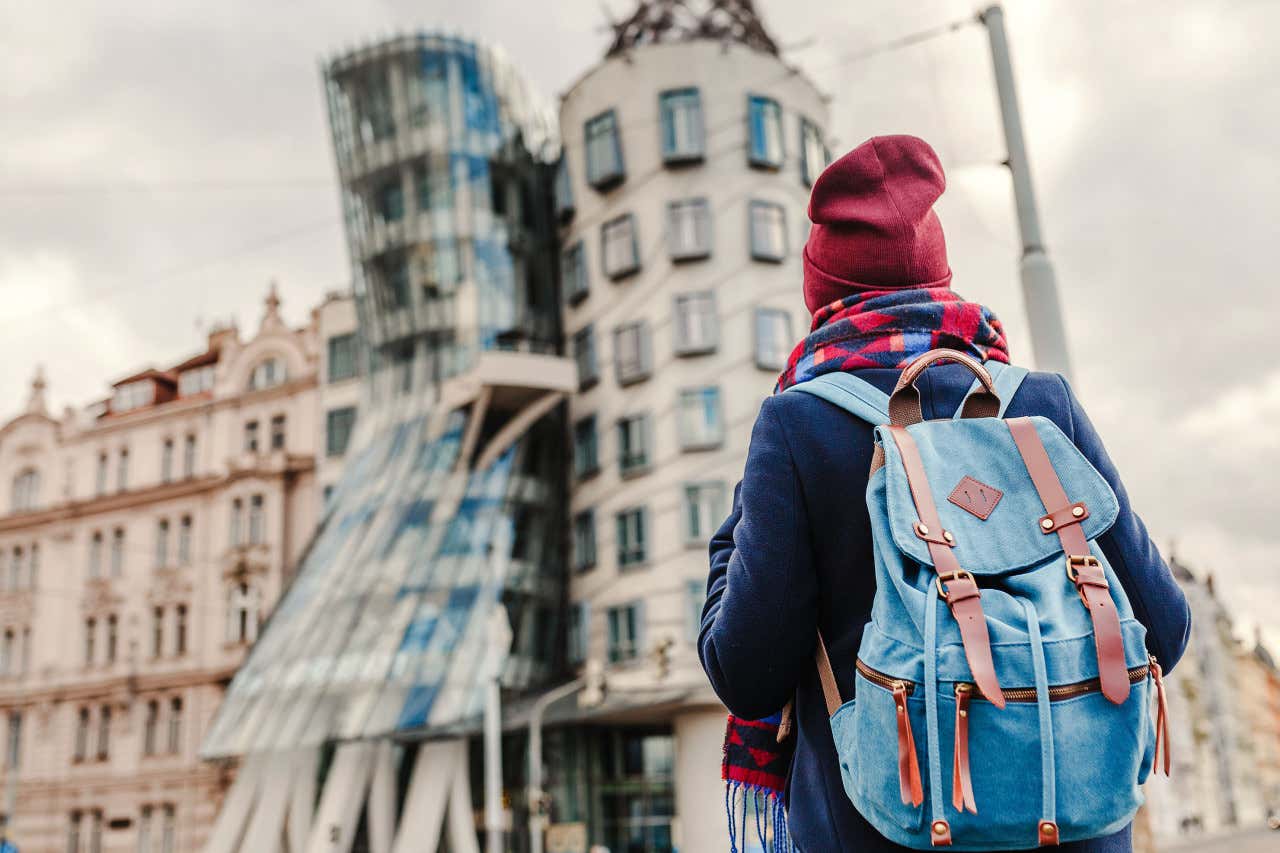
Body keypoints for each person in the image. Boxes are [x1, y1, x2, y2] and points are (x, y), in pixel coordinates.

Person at [698, 135, 1191, 852]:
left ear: (821, 290)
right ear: (939, 272)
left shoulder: (797, 423)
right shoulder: (1038, 405)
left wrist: (732, 535)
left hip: (880, 828)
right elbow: (1165, 630)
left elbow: (745, 671)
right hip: (1074, 824)